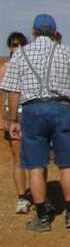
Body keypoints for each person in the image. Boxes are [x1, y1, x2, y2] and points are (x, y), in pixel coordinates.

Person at [0, 14, 70, 232]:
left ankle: (41, 218)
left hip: (32, 111)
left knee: (36, 165)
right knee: (66, 164)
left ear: (33, 32)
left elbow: (13, 91)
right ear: (55, 32)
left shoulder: (20, 54)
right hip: (61, 109)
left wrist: (12, 120)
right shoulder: (66, 51)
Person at [2, 32, 30, 213]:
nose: (17, 47)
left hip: (32, 114)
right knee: (18, 156)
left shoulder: (30, 65)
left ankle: (39, 195)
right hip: (13, 116)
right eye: (13, 44)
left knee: (37, 157)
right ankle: (22, 197)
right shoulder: (4, 68)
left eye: (20, 44)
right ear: (9, 47)